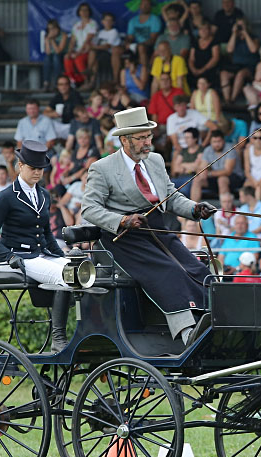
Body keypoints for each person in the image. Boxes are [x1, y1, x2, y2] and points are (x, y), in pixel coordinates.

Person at [81, 106, 217, 344]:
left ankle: (213, 320)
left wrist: (195, 209)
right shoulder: (102, 168)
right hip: (124, 239)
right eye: (141, 137)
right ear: (124, 140)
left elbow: (171, 198)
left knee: (198, 269)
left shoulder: (155, 160)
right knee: (170, 272)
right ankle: (187, 332)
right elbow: (89, 209)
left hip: (157, 230)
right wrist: (123, 220)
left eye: (148, 136)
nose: (147, 142)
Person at [0, 141, 73, 350]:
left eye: (40, 169)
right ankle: (58, 340)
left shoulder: (43, 194)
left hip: (39, 255)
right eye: (33, 168)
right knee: (66, 277)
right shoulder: (5, 197)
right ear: (20, 166)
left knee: (79, 271)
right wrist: (10, 256)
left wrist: (64, 258)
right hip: (16, 259)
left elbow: (47, 234)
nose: (37, 173)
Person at [222, 17, 259, 103]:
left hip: (249, 67)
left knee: (241, 74)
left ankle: (233, 99)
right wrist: (234, 33)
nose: (240, 27)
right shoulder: (235, 38)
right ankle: (227, 99)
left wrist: (245, 34)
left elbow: (253, 49)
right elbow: (229, 50)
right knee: (223, 74)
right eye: (238, 25)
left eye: (242, 25)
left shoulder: (253, 37)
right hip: (236, 66)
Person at [197, 129, 243, 200]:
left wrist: (209, 174)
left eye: (219, 141)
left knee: (222, 179)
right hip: (215, 177)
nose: (217, 144)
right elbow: (202, 167)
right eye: (214, 142)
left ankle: (225, 209)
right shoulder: (207, 150)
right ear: (210, 142)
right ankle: (194, 208)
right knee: (197, 180)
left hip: (235, 178)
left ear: (223, 141)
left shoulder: (230, 149)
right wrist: (202, 173)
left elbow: (228, 171)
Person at [92, 13, 124, 87]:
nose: (108, 22)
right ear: (102, 21)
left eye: (110, 20)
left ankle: (115, 79)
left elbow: (107, 46)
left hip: (110, 53)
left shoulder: (114, 32)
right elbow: (94, 44)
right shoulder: (100, 32)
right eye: (106, 20)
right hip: (101, 52)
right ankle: (91, 78)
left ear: (113, 22)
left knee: (94, 50)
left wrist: (94, 47)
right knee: (92, 52)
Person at [42, 20, 68, 91]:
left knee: (56, 58)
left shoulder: (63, 35)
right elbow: (47, 52)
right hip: (51, 56)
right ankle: (46, 83)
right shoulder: (47, 36)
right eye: (49, 29)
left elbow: (58, 51)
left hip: (62, 55)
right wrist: (47, 40)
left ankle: (57, 83)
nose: (51, 31)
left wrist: (52, 40)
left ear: (57, 28)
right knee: (47, 59)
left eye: (53, 28)